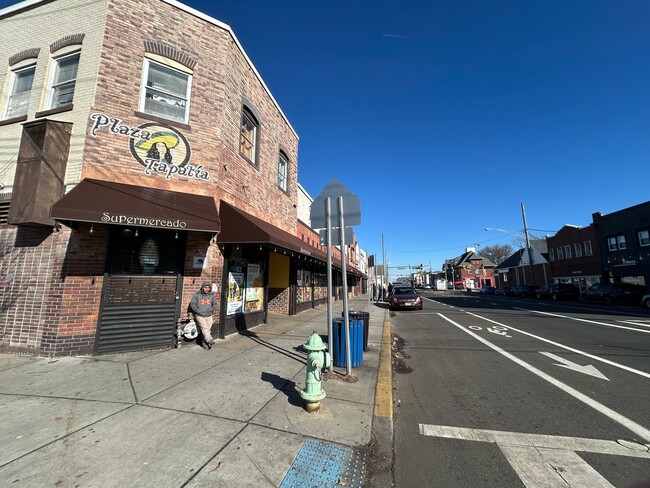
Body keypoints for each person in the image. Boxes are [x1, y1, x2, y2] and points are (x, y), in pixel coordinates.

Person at [189, 281, 217, 350]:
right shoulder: (196, 295)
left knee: (208, 329)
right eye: (205, 287)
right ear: (202, 288)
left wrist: (210, 310)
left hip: (209, 315)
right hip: (199, 315)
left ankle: (204, 342)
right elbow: (192, 304)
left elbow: (215, 304)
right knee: (204, 327)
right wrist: (198, 311)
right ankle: (209, 339)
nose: (207, 289)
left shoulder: (211, 296)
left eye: (208, 287)